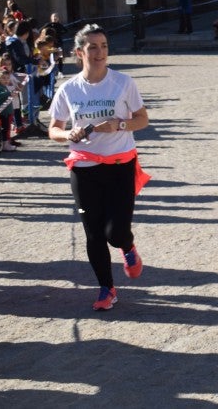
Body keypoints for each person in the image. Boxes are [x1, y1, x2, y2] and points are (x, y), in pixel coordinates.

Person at [47, 24, 151, 311]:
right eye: (93, 47)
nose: (100, 52)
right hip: (84, 168)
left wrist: (118, 124)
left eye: (104, 46)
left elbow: (142, 119)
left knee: (115, 232)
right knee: (92, 232)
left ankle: (127, 247)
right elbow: (53, 129)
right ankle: (107, 288)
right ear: (79, 52)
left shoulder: (123, 82)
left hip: (120, 165)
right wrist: (68, 135)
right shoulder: (69, 89)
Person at [0, 65, 17, 151]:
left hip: (7, 112)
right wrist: (9, 94)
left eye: (7, 78)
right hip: (3, 113)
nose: (6, 80)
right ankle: (5, 144)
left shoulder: (3, 87)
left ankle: (5, 143)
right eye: (3, 78)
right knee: (5, 129)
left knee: (6, 129)